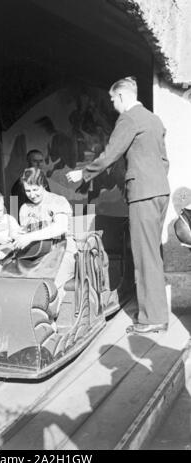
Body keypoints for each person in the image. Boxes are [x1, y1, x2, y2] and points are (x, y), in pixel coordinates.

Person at [66, 76, 170, 335]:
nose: (112, 104)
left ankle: (151, 318)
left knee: (145, 257)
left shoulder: (129, 118)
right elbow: (164, 161)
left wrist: (84, 173)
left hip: (144, 194)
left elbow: (111, 152)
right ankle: (155, 313)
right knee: (152, 255)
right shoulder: (153, 119)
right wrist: (153, 181)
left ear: (122, 96)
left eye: (113, 99)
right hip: (159, 192)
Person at [5, 167, 77, 308]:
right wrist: (17, 235)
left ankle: (48, 319)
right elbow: (25, 232)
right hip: (37, 253)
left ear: (43, 185)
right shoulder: (25, 208)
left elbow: (60, 228)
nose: (32, 195)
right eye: (28, 191)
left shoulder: (57, 201)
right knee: (14, 280)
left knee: (48, 287)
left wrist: (30, 237)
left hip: (63, 251)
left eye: (35, 190)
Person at [10, 149, 50, 215]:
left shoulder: (43, 180)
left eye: (41, 161)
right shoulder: (20, 183)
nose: (38, 164)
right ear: (27, 162)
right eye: (35, 161)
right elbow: (14, 209)